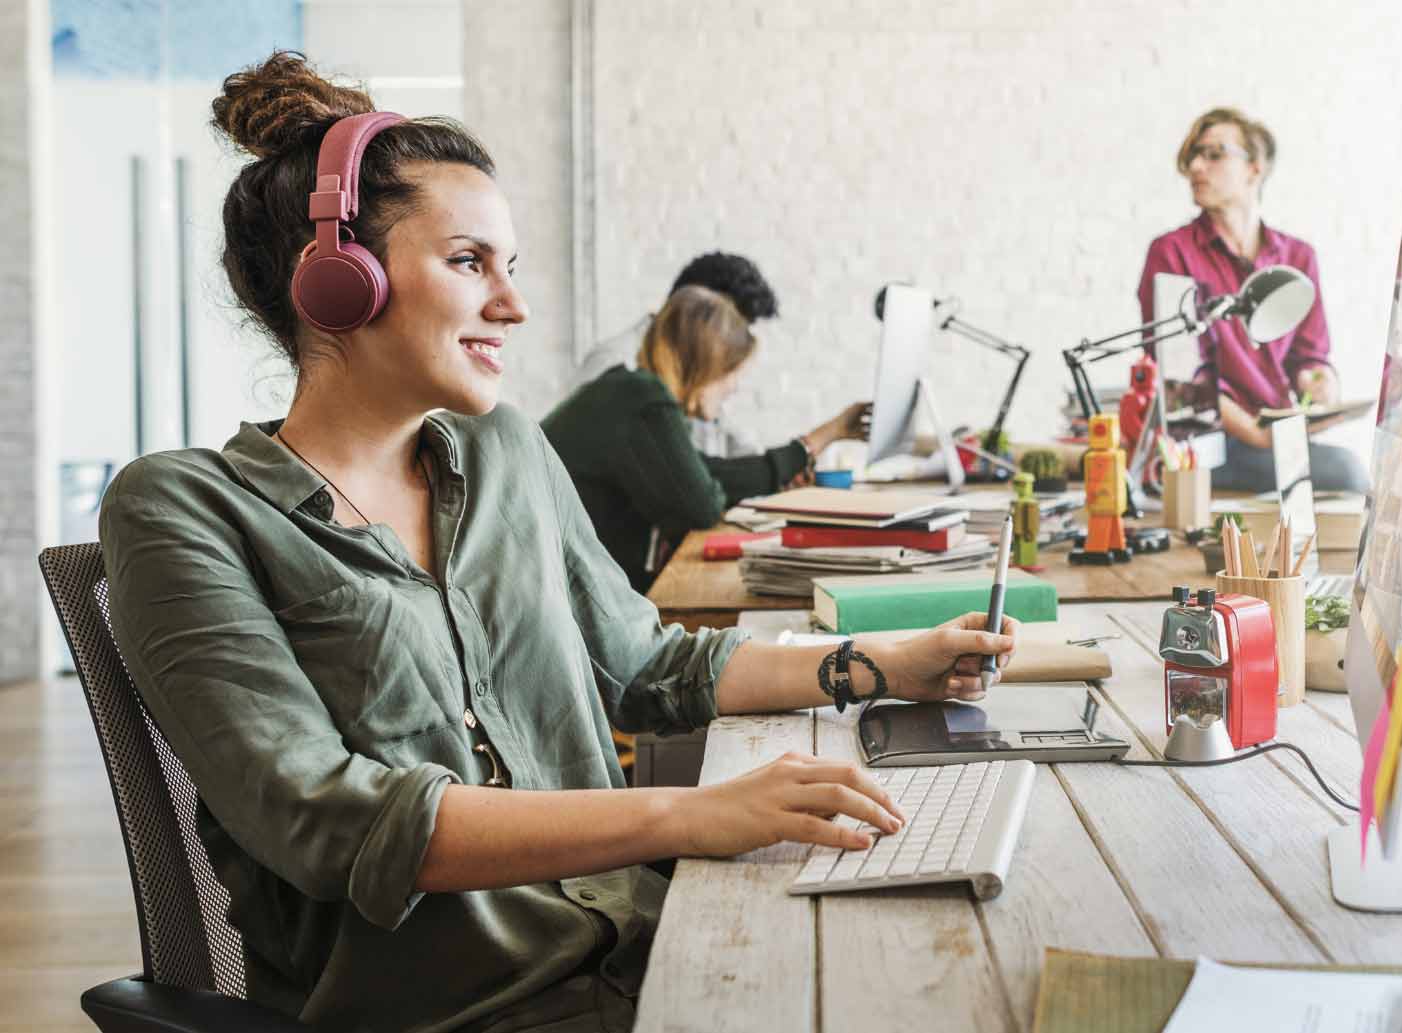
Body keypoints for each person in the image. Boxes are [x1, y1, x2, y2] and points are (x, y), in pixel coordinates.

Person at [97, 52, 1017, 1033]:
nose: (514, 305)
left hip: (641, 952)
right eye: (468, 262)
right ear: (335, 281)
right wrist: (689, 816)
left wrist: (886, 664)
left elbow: (647, 664)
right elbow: (334, 818)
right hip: (469, 1013)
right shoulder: (183, 511)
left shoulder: (505, 450)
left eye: (511, 266)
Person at [544, 284, 868, 592]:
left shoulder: (631, 393)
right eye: (733, 374)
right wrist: (811, 445)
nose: (734, 387)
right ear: (708, 364)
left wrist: (818, 440)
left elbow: (701, 472)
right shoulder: (642, 399)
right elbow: (700, 504)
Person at [1138, 107, 1369, 494]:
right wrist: (1259, 436)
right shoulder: (1171, 253)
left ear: (1255, 168)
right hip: (1210, 441)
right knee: (1347, 472)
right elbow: (1182, 381)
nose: (1196, 166)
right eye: (1193, 155)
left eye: (1213, 154)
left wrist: (1321, 384)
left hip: (1275, 432)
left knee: (1345, 475)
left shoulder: (1298, 258)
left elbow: (1311, 358)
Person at [573, 250, 780, 457]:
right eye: (731, 328)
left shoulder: (695, 372)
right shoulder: (613, 364)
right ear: (698, 311)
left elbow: (724, 440)